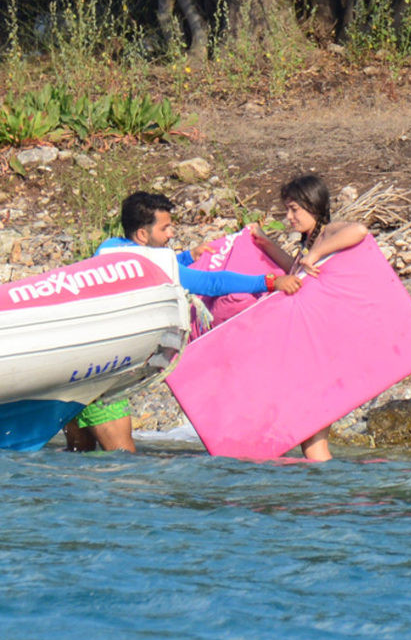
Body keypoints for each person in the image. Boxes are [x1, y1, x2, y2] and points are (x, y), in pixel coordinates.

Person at [64, 191, 302, 453]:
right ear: (143, 235)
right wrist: (268, 282)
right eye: (165, 228)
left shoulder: (108, 248)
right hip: (102, 376)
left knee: (79, 456)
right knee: (125, 464)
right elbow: (212, 284)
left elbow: (144, 264)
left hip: (73, 370)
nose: (171, 234)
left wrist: (187, 257)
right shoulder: (152, 261)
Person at [250, 174, 368, 461]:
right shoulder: (308, 241)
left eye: (294, 210)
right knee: (311, 444)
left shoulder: (326, 233)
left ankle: (330, 499)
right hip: (313, 352)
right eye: (287, 210)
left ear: (313, 206)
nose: (289, 217)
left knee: (313, 444)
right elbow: (295, 271)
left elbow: (360, 230)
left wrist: (315, 253)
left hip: (325, 354)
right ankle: (326, 496)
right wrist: (265, 243)